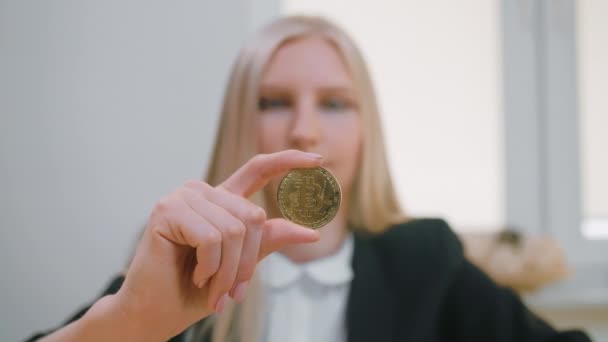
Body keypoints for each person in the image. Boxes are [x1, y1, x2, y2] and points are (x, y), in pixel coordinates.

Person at [28, 15, 591, 342]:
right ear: (238, 122)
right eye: (273, 101)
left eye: (335, 104)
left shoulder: (425, 259)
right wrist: (128, 322)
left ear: (367, 129)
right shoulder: (182, 259)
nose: (304, 130)